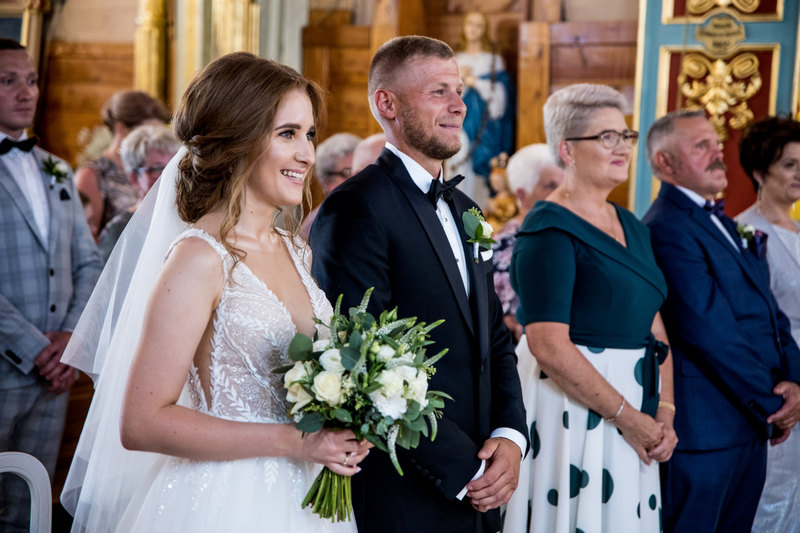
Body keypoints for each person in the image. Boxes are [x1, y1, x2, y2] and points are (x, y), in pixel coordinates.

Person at [60, 52, 369, 533]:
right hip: (223, 501)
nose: (307, 154)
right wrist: (293, 441)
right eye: (287, 134)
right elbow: (141, 422)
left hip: (305, 496)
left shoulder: (295, 250)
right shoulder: (199, 258)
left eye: (309, 134)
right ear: (238, 139)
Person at [310, 35, 528, 533]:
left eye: (459, 91)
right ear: (387, 104)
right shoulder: (356, 207)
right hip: (407, 485)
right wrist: (465, 470)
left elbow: (495, 338)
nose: (459, 106)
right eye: (438, 92)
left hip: (486, 476)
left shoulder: (467, 209)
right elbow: (363, 361)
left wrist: (510, 436)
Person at [504, 84, 677, 533]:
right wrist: (628, 418)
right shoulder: (548, 228)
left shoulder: (633, 225)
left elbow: (655, 326)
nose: (623, 147)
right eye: (606, 137)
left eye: (626, 136)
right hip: (573, 406)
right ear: (567, 150)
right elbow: (547, 345)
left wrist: (665, 412)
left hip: (637, 404)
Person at [642, 110, 800, 533]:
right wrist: (773, 403)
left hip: (746, 424)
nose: (718, 154)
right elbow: (709, 331)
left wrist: (794, 378)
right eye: (701, 146)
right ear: (664, 162)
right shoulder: (666, 227)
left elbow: (770, 309)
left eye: (716, 144)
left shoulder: (722, 222)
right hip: (706, 432)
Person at [0, 38, 102, 533]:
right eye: (8, 81)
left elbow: (87, 261)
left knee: (33, 506)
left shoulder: (57, 169)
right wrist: (35, 348)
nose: (26, 92)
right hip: (7, 363)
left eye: (32, 80)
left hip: (55, 372)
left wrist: (69, 343)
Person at [736, 116, 800, 533]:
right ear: (760, 171)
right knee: (774, 495)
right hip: (779, 379)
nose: (799, 174)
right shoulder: (744, 233)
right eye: (789, 165)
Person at [490, 144, 562, 342]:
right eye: (551, 186)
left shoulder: (561, 235)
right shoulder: (504, 247)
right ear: (522, 195)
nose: (562, 194)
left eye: (564, 186)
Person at [74, 89, 170, 239]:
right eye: (145, 132)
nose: (152, 140)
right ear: (121, 129)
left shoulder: (152, 169)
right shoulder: (92, 174)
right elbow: (84, 239)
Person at [97, 123, 179, 262]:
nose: (168, 176)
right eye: (157, 169)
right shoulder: (119, 231)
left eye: (173, 167)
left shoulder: (184, 219)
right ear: (134, 177)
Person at [450, 11, 514, 188]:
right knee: (458, 159)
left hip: (484, 126)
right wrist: (460, 79)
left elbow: (500, 99)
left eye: (479, 25)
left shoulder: (492, 60)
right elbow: (447, 95)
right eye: (470, 23)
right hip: (458, 122)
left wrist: (475, 82)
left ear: (485, 30)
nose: (473, 29)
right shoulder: (456, 58)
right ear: (464, 27)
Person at [300, 131, 360, 238]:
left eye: (361, 171)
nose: (359, 179)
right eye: (348, 172)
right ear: (328, 181)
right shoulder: (323, 223)